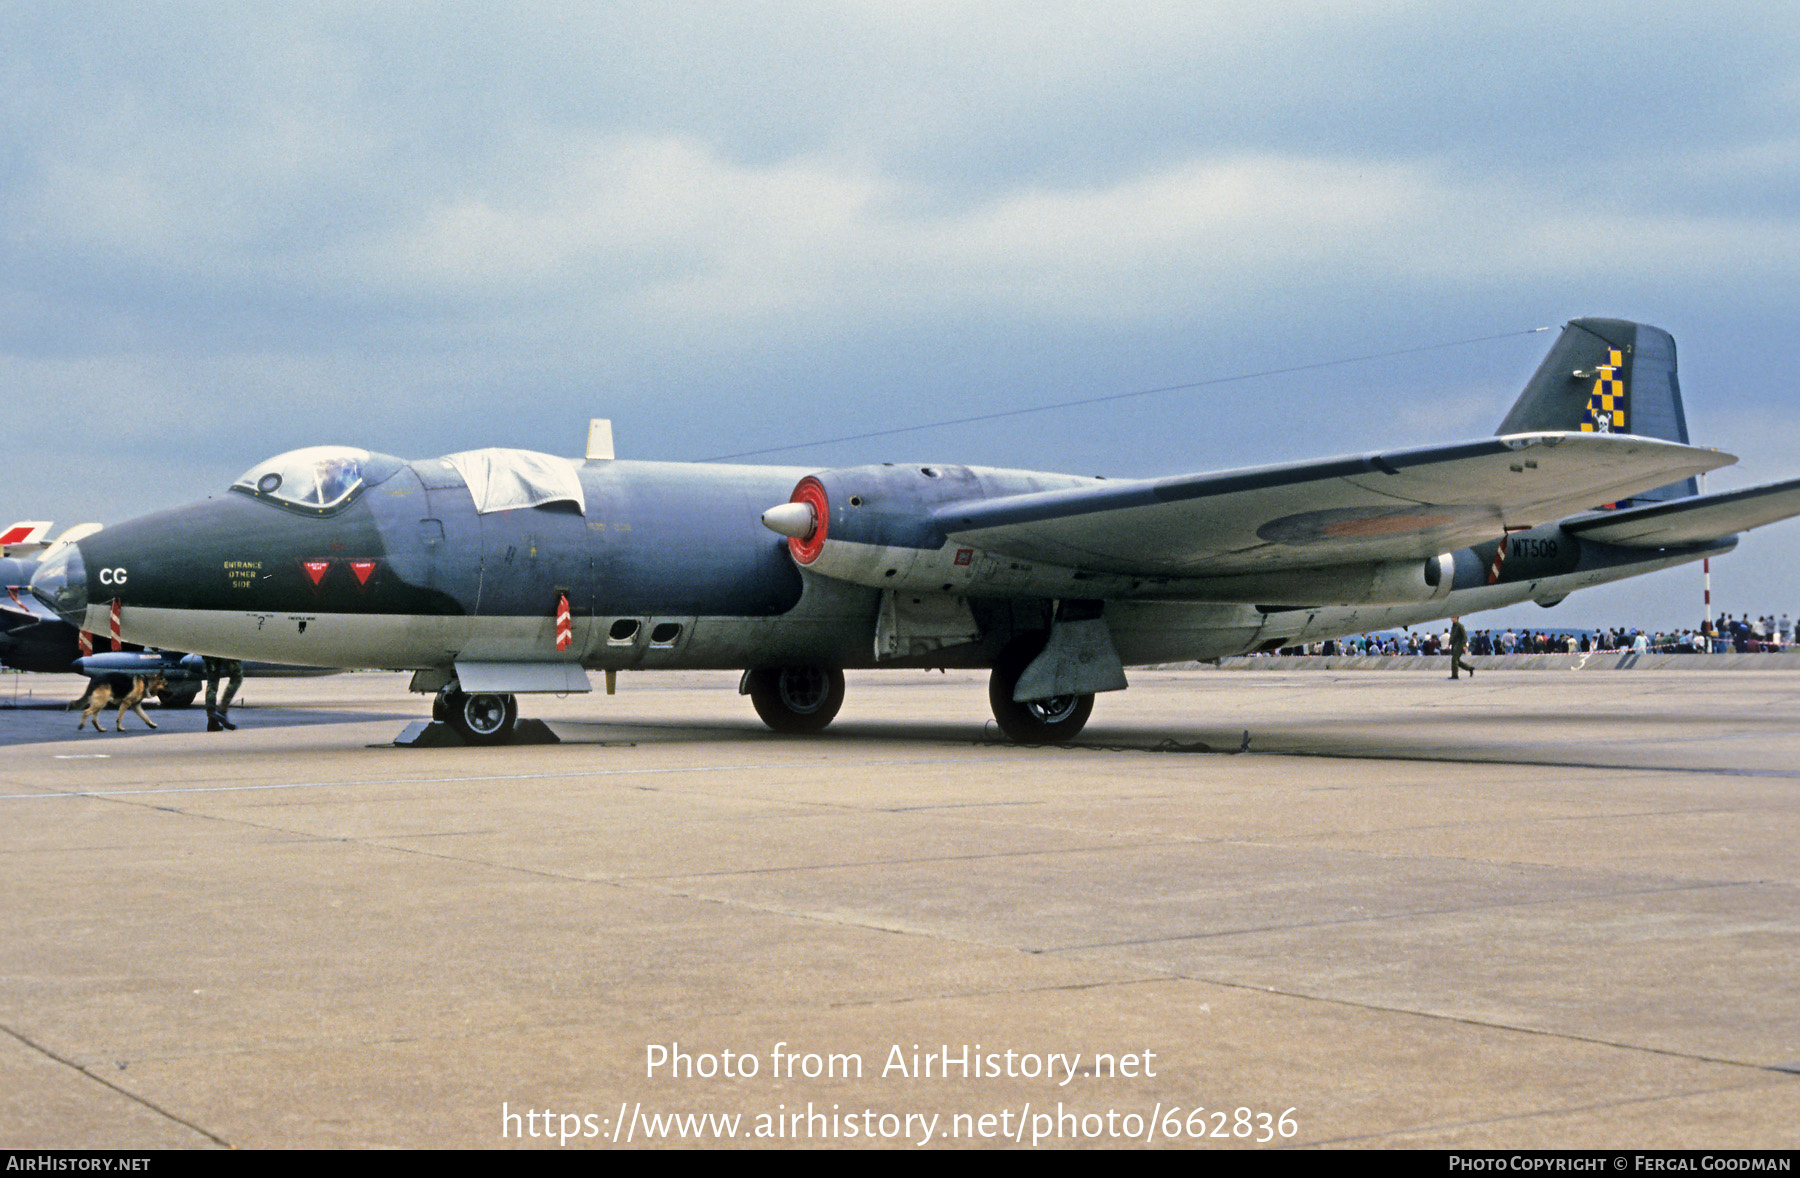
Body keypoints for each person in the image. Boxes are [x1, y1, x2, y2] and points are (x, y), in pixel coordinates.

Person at [204, 657, 243, 731]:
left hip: (209, 652)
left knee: (212, 682)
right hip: (225, 649)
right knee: (237, 677)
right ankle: (221, 711)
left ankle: (212, 720)